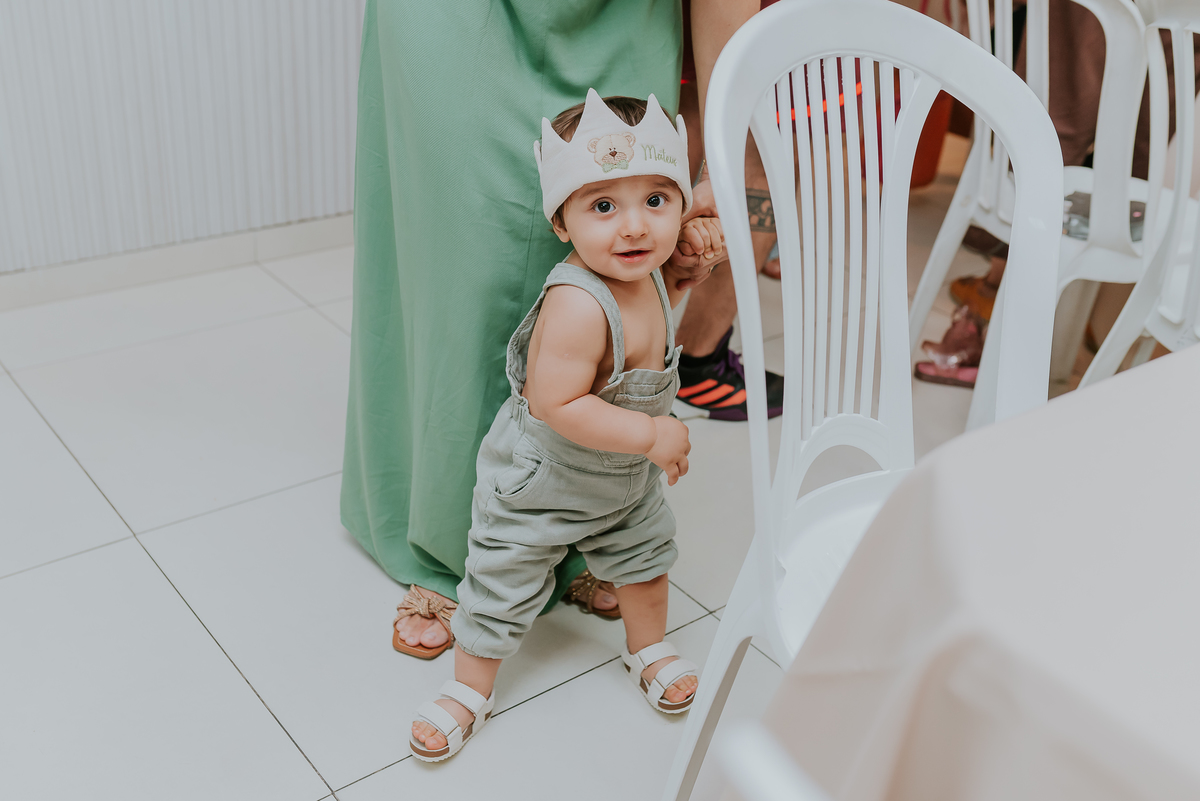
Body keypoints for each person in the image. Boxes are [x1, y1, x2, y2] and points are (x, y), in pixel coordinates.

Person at [344, 0, 758, 663]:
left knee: (629, 246)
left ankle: (594, 527)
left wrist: (725, 161)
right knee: (462, 276)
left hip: (625, 17)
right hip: (452, 23)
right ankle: (457, 547)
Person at [410, 92, 715, 762]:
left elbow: (650, 334)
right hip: (541, 481)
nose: (634, 227)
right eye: (604, 206)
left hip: (622, 484)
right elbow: (558, 404)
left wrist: (689, 269)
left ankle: (649, 647)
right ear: (562, 221)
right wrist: (653, 436)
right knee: (502, 582)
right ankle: (470, 686)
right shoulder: (578, 302)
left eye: (655, 201)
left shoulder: (651, 274)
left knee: (647, 563)